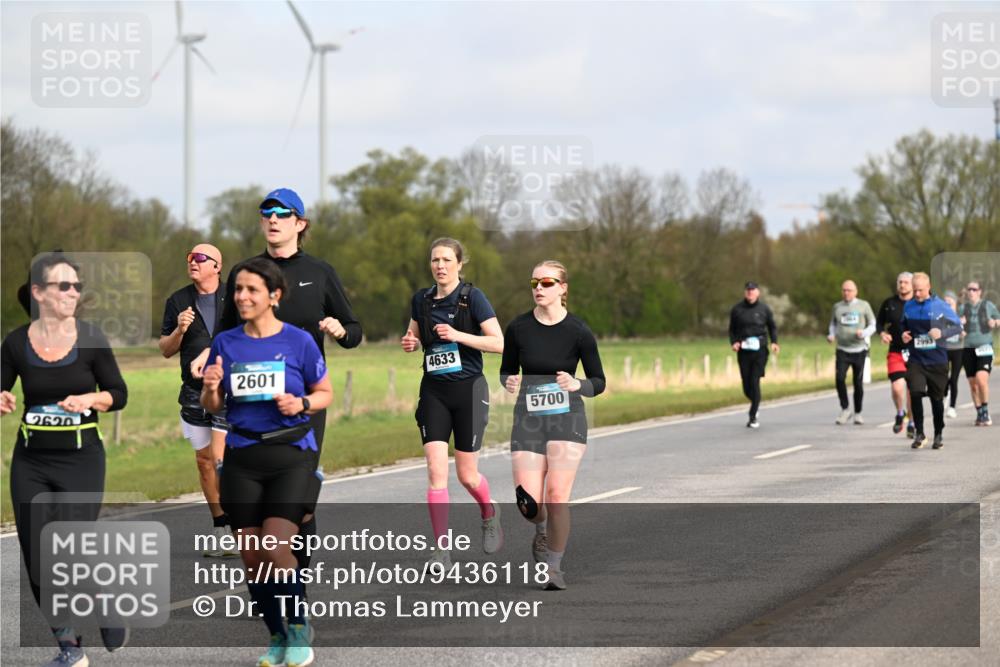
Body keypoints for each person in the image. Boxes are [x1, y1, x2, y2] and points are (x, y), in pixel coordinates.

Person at [211, 187, 362, 581]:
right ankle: (267, 584)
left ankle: (296, 582)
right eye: (267, 213)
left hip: (304, 403)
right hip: (249, 405)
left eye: (282, 213)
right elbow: (224, 332)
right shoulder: (246, 274)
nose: (273, 219)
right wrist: (208, 366)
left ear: (300, 223)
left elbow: (355, 330)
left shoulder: (319, 272)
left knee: (299, 503)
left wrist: (339, 330)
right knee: (253, 505)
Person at [201, 257, 331, 667]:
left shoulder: (298, 341)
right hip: (242, 455)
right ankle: (277, 638)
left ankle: (297, 628)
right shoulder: (225, 343)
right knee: (253, 559)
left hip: (291, 453)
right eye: (237, 289)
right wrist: (209, 389)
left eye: (251, 290)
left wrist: (302, 402)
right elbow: (214, 405)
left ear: (273, 295)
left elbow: (324, 391)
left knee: (276, 548)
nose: (241, 296)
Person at [2, 252, 129, 667]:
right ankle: (69, 647)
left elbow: (118, 393)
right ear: (39, 292)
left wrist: (91, 398)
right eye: (64, 286)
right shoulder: (16, 343)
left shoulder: (91, 339)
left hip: (81, 459)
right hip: (31, 461)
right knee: (37, 553)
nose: (73, 293)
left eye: (77, 286)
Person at [500, 260, 606, 591]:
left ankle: (554, 567)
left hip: (567, 418)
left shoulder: (578, 331)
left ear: (563, 288)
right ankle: (541, 528)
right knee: (529, 504)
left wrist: (577, 385)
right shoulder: (518, 328)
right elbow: (505, 370)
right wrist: (509, 381)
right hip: (528, 421)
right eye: (534, 283)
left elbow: (599, 381)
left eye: (546, 282)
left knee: (557, 493)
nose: (539, 289)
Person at [400, 238, 504, 570]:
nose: (440, 266)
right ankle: (441, 550)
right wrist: (410, 342)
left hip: (469, 391)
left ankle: (489, 511)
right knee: (435, 470)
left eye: (446, 260)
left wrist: (459, 336)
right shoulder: (422, 300)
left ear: (459, 264)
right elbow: (413, 335)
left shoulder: (473, 298)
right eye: (435, 260)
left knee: (467, 474)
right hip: (434, 391)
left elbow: (499, 343)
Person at [159, 243, 236, 556]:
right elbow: (165, 348)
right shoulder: (178, 300)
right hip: (193, 393)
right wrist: (179, 329)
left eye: (200, 258)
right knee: (205, 462)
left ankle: (246, 526)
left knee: (226, 460)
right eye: (189, 257)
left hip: (232, 388)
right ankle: (222, 528)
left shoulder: (236, 295)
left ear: (217, 266)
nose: (192, 261)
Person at [900, 272, 962, 450]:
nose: (917, 294)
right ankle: (919, 433)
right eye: (914, 290)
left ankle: (938, 433)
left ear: (928, 287)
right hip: (916, 360)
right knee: (916, 393)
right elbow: (903, 326)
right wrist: (903, 334)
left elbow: (958, 326)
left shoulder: (940, 306)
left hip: (937, 361)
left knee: (936, 400)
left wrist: (942, 333)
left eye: (920, 290)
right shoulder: (908, 306)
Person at [728, 281, 779, 428]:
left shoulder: (764, 309)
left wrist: (774, 342)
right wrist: (734, 342)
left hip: (760, 350)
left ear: (758, 293)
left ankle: (753, 416)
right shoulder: (737, 309)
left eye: (753, 290)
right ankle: (755, 402)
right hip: (744, 350)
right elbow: (732, 329)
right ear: (745, 292)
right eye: (748, 290)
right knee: (746, 385)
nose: (750, 292)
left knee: (755, 380)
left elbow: (772, 326)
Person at [827, 279, 876, 425]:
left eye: (849, 290)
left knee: (857, 382)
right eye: (844, 290)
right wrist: (831, 335)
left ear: (855, 291)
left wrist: (865, 332)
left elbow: (873, 325)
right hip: (842, 349)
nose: (846, 293)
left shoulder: (863, 305)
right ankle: (845, 409)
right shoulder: (837, 307)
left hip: (859, 349)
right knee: (840, 379)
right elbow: (833, 324)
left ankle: (858, 413)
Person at [876, 272, 914, 436]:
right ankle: (900, 413)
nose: (902, 285)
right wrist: (883, 334)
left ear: (912, 284)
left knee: (912, 390)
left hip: (915, 352)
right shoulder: (889, 303)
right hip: (896, 351)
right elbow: (879, 323)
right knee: (897, 387)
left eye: (906, 282)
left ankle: (912, 422)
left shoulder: (918, 303)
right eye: (900, 282)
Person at [959, 280, 1000, 426]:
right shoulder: (962, 308)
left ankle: (985, 410)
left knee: (981, 379)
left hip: (985, 347)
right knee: (973, 384)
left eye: (974, 289)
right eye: (969, 289)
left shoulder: (988, 305)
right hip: (968, 348)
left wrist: (995, 323)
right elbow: (954, 327)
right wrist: (960, 327)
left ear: (980, 291)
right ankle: (979, 412)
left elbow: (998, 318)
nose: (971, 292)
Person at [941, 291, 965, 420]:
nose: (947, 304)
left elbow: (967, 331)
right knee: (944, 377)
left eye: (950, 301)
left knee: (954, 379)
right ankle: (945, 394)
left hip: (958, 350)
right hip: (944, 349)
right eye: (945, 302)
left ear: (955, 303)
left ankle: (952, 407)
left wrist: (963, 332)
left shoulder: (961, 316)